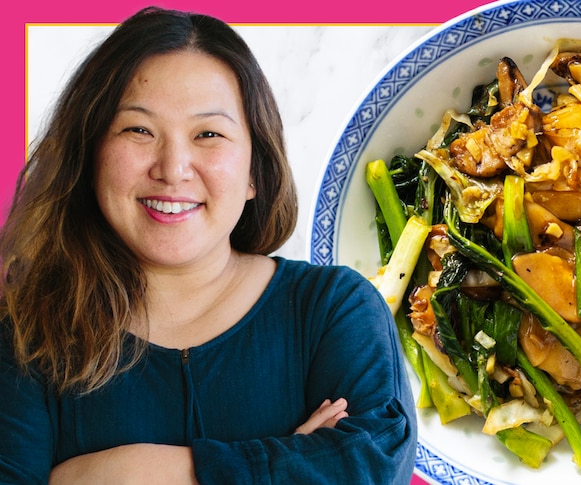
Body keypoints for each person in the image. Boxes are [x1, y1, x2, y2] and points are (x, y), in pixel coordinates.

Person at [0, 6, 417, 484]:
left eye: (209, 134)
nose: (173, 167)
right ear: (91, 154)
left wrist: (109, 474)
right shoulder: (27, 334)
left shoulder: (332, 310)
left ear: (255, 173)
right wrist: (291, 462)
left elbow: (373, 467)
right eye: (138, 129)